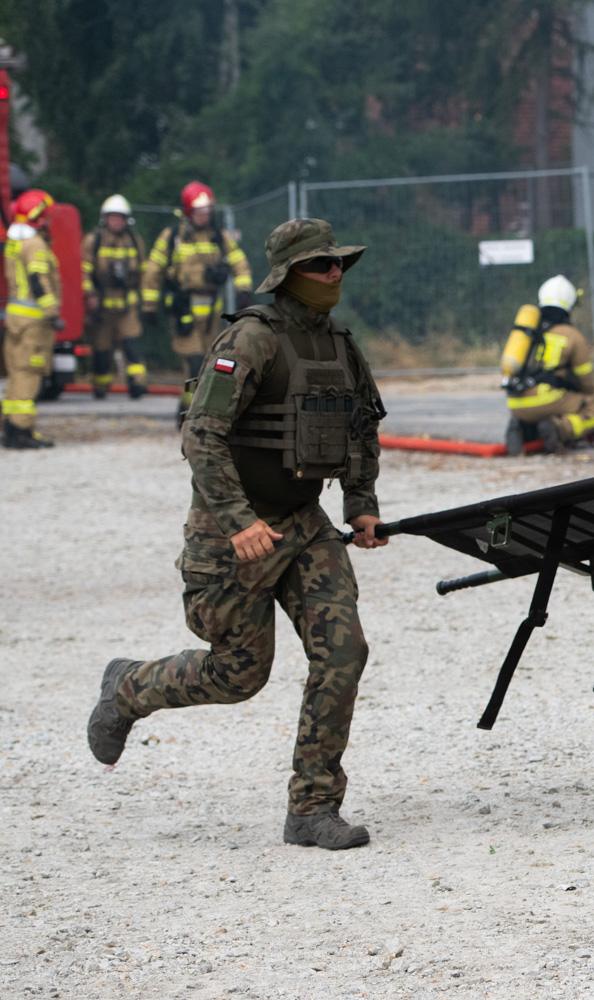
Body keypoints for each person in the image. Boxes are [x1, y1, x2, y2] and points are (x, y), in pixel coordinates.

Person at [87, 219, 387, 851]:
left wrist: (361, 505)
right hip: (233, 533)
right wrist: (239, 520)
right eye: (319, 266)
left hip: (306, 526)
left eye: (338, 264)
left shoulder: (340, 343)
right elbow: (201, 435)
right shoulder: (250, 339)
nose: (333, 275)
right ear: (287, 275)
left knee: (344, 653)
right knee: (238, 675)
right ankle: (128, 687)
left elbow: (360, 429)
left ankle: (312, 807)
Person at [140, 182, 253, 422]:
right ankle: (187, 412)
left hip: (212, 311)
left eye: (207, 211)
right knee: (193, 365)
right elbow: (152, 271)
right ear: (188, 212)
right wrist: (148, 306)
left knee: (210, 366)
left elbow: (239, 262)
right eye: (199, 211)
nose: (204, 216)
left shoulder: (219, 237)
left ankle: (196, 409)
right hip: (185, 311)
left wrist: (244, 289)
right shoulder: (172, 237)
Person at [501, 274, 594, 455]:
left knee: (546, 406)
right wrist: (582, 399)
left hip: (515, 404)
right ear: (569, 306)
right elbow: (587, 383)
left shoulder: (529, 332)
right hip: (548, 400)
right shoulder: (572, 335)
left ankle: (522, 428)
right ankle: (559, 428)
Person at [3, 189, 63, 449]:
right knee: (29, 374)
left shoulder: (14, 242)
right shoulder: (35, 244)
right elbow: (39, 281)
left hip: (16, 318)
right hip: (33, 323)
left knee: (16, 374)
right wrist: (52, 313)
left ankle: (11, 427)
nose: (49, 221)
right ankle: (23, 431)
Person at [81, 194, 149, 399]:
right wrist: (90, 295)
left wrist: (147, 302)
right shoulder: (93, 240)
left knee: (131, 346)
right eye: (112, 217)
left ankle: (137, 385)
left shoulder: (134, 241)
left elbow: (144, 273)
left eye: (120, 217)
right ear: (105, 218)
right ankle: (100, 388)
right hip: (102, 308)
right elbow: (83, 271)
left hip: (127, 306)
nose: (116, 221)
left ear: (126, 220)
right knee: (101, 351)